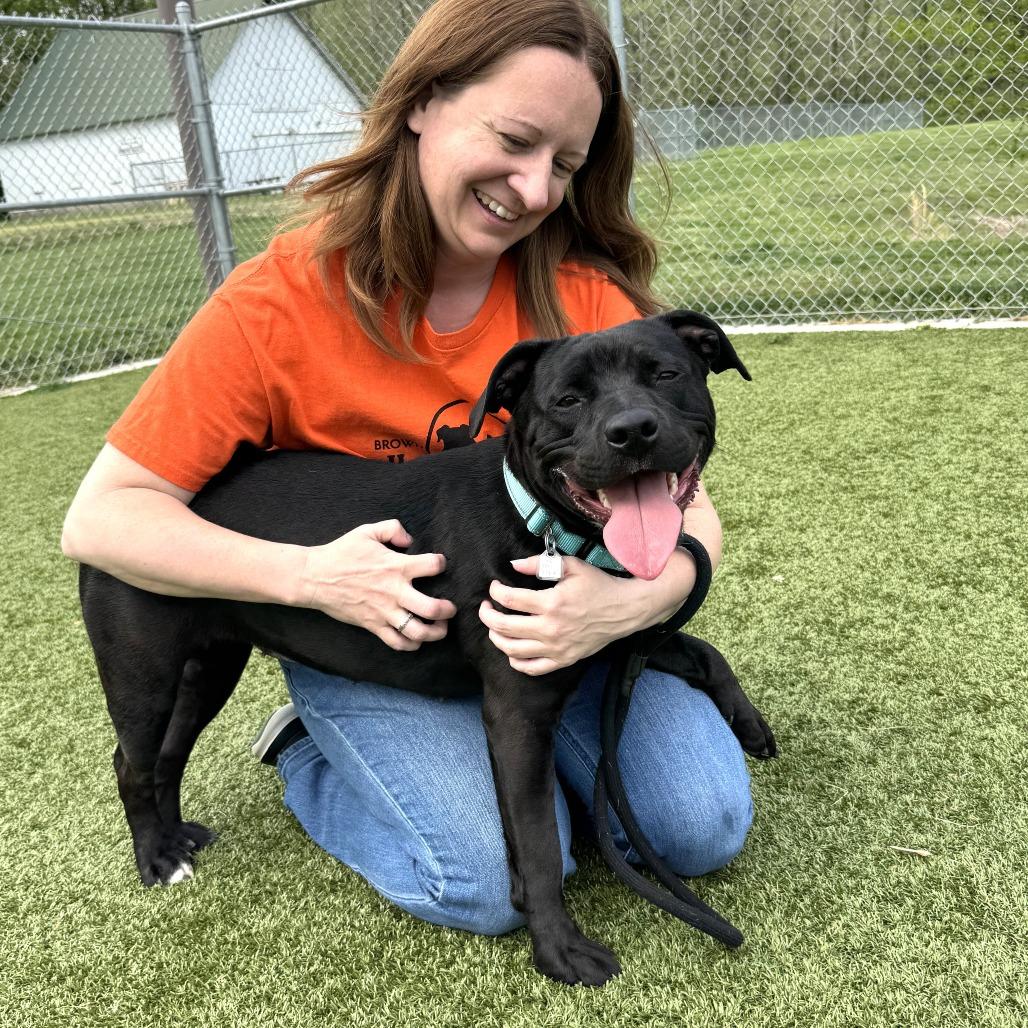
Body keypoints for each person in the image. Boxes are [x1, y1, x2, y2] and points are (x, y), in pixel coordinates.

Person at [62, 0, 754, 936]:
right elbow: (101, 522)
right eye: (513, 138)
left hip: (555, 631)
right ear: (423, 102)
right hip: (362, 634)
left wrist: (640, 598)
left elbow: (683, 505)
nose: (535, 186)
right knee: (472, 879)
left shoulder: (584, 304)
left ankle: (529, 764)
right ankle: (313, 750)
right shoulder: (277, 300)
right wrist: (309, 578)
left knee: (698, 825)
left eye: (565, 163)